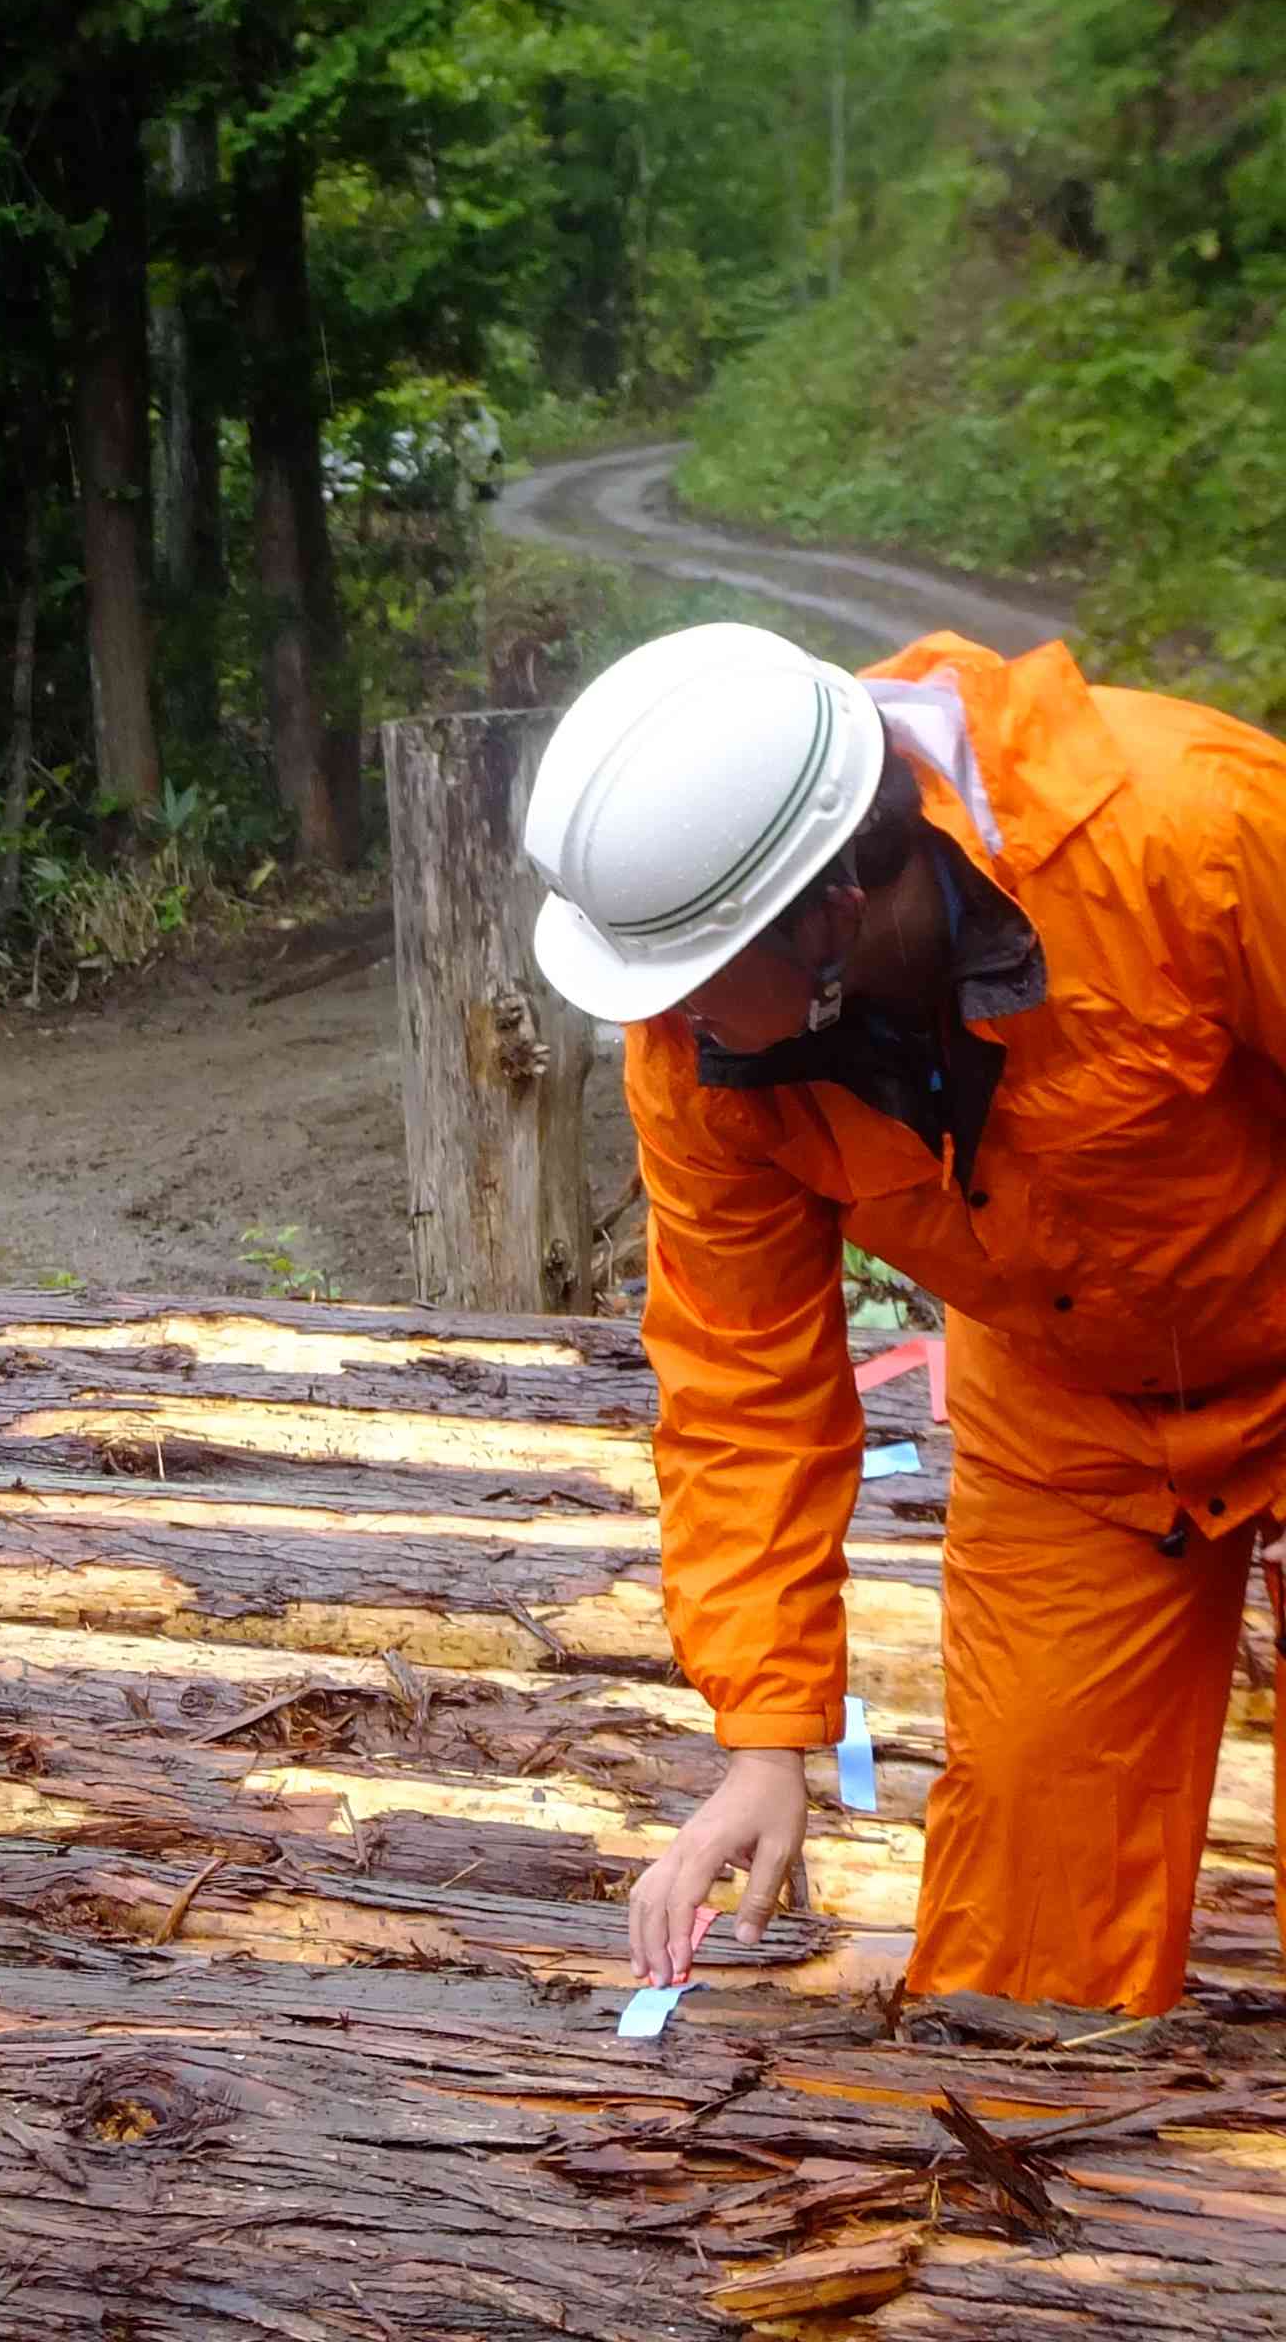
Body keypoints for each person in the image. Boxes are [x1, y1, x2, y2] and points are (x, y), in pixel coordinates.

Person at [525, 622, 1286, 2018]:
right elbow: (742, 1380)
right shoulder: (699, 1059)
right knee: (1028, 1978)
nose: (672, 1022)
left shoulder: (1189, 832)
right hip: (1080, 1417)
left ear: (828, 910)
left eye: (694, 976)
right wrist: (766, 1739)